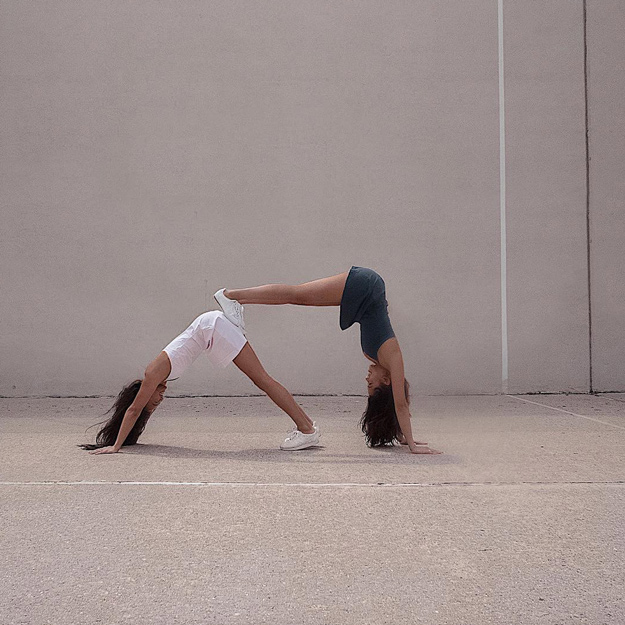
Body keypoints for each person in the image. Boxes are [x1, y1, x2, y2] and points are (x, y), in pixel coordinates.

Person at [214, 266, 441, 454]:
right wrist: (412, 445)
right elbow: (400, 403)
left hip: (367, 292)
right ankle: (231, 295)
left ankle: (235, 297)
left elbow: (395, 403)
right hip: (366, 286)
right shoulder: (393, 357)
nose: (366, 379)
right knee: (297, 295)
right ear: (387, 380)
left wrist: (400, 435)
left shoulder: (380, 361)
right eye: (372, 384)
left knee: (298, 296)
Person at [81, 310, 320, 454]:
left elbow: (134, 410)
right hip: (211, 329)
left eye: (152, 403)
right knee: (262, 380)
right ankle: (307, 425)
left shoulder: (152, 374)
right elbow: (139, 411)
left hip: (213, 328)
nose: (158, 402)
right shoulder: (160, 377)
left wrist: (116, 446)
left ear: (142, 393)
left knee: (262, 380)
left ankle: (307, 429)